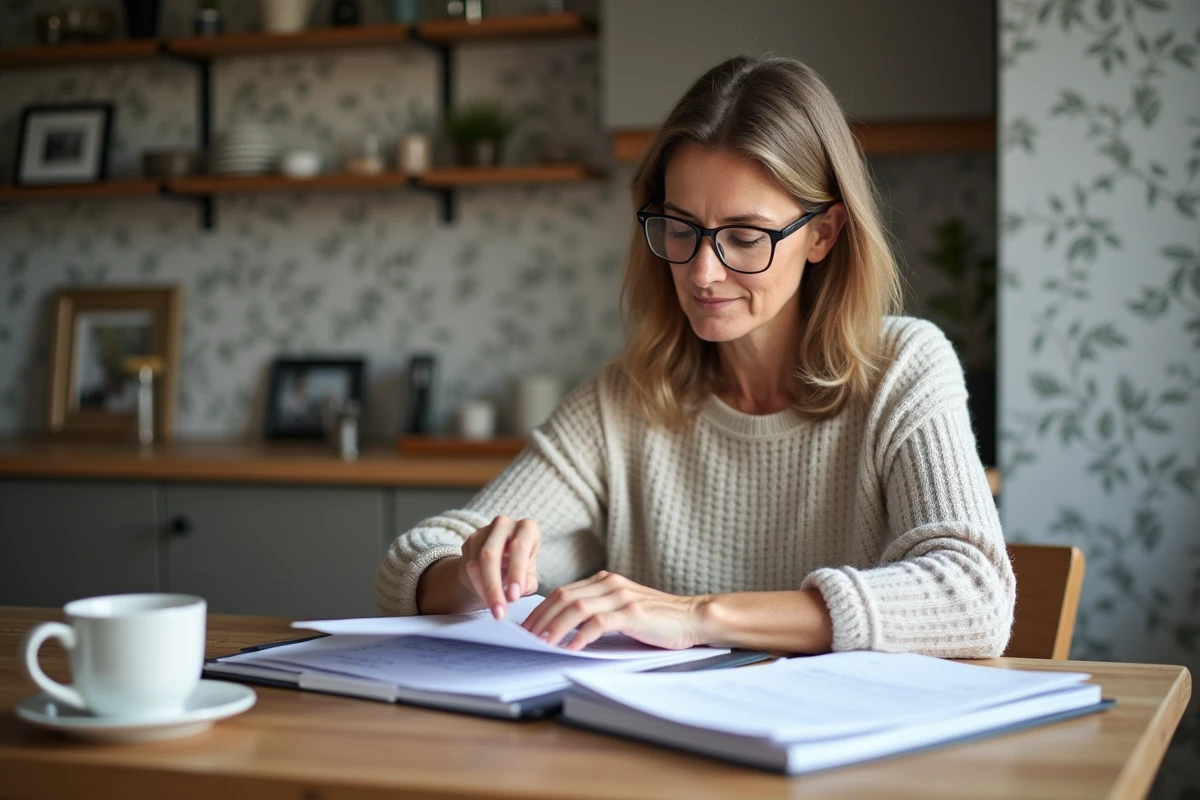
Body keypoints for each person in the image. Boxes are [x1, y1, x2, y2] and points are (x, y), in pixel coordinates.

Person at [375, 55, 1014, 658]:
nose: (703, 271)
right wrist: (473, 568)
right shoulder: (625, 399)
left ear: (823, 234)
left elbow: (975, 597)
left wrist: (695, 616)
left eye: (744, 236)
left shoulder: (904, 367)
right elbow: (414, 561)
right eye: (681, 229)